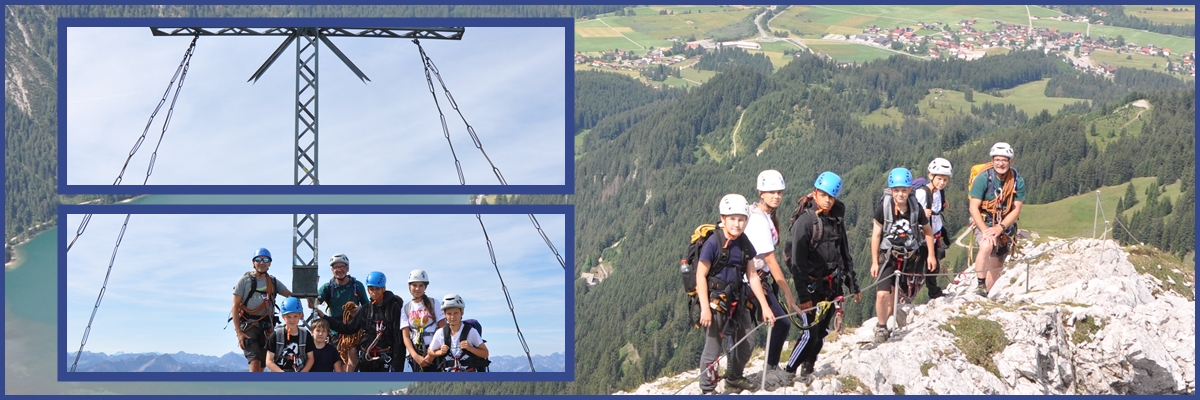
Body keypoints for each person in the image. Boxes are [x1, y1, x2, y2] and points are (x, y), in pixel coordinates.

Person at [784, 171, 861, 379]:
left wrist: (852, 283)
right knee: (810, 333)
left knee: (823, 332)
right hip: (811, 285)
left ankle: (809, 366)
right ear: (815, 193)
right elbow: (798, 262)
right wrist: (804, 297)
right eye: (824, 194)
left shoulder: (836, 219)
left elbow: (844, 251)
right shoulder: (805, 222)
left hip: (831, 283)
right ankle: (789, 371)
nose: (827, 200)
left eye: (831, 197)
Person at [697, 194, 775, 394]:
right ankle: (707, 388)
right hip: (716, 301)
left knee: (747, 342)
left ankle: (734, 378)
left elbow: (752, 275)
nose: (737, 224)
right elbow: (700, 275)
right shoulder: (713, 242)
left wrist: (765, 307)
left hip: (737, 298)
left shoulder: (744, 242)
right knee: (713, 347)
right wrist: (705, 308)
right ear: (723, 219)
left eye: (741, 219)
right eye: (732, 219)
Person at [870, 168, 937, 344]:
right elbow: (876, 235)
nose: (900, 194)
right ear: (891, 191)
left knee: (900, 295)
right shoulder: (883, 208)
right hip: (888, 256)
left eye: (904, 190)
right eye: (897, 190)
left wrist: (931, 255)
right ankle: (881, 327)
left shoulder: (916, 209)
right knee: (882, 294)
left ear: (909, 190)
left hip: (910, 255)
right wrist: (874, 262)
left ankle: (891, 320)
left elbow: (928, 231)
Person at [743, 170, 801, 371]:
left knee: (772, 323)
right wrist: (788, 294)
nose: (776, 196)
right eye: (771, 192)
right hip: (754, 279)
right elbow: (770, 259)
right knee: (781, 323)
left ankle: (767, 367)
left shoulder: (763, 215)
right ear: (761, 193)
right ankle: (770, 368)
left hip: (758, 278)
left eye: (779, 192)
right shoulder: (759, 219)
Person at [969, 142, 1025, 297]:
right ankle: (980, 285)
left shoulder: (1017, 181)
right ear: (992, 161)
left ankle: (983, 293)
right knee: (986, 246)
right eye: (997, 160)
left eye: (1005, 160)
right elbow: (973, 207)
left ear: (1010, 162)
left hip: (1004, 226)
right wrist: (986, 230)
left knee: (997, 264)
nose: (1001, 163)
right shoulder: (983, 179)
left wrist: (1000, 228)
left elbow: (1016, 209)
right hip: (984, 222)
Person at [321, 271, 406, 372]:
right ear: (368, 290)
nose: (374, 292)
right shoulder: (366, 309)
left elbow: (398, 340)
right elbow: (348, 328)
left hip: (385, 359)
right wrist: (325, 317)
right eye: (371, 289)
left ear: (384, 289)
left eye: (377, 288)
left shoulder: (393, 308)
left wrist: (397, 369)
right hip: (366, 359)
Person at [232, 247, 293, 372]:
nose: (262, 262)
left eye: (265, 260)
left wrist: (301, 304)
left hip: (266, 327)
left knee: (262, 365)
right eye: (258, 259)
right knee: (254, 362)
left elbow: (290, 295)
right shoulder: (244, 281)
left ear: (270, 263)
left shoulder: (273, 282)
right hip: (248, 326)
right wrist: (238, 333)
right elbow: (235, 306)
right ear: (253, 262)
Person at [913, 158, 953, 299]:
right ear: (931, 176)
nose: (942, 182)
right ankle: (908, 294)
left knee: (933, 266)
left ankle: (934, 293)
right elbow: (912, 213)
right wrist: (922, 213)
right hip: (922, 236)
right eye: (940, 179)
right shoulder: (922, 193)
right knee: (917, 268)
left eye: (945, 180)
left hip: (935, 234)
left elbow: (936, 210)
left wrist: (943, 205)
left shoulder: (939, 192)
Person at [425, 293, 490, 372]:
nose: (452, 317)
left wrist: (470, 348)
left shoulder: (471, 332)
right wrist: (440, 352)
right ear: (444, 314)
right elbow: (430, 351)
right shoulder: (440, 333)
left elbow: (485, 353)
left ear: (462, 312)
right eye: (449, 314)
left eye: (456, 313)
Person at [401, 269, 446, 372]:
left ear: (425, 287)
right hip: (417, 354)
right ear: (409, 286)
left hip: (435, 353)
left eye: (421, 285)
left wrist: (432, 354)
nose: (417, 288)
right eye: (414, 285)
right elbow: (406, 337)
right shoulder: (406, 308)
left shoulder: (434, 303)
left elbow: (443, 329)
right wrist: (415, 356)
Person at [309, 253, 369, 331]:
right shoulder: (327, 287)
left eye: (342, 267)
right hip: (335, 331)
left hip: (355, 330)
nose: (339, 270)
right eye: (336, 267)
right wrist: (310, 288)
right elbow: (312, 304)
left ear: (348, 268)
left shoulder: (357, 285)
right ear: (332, 270)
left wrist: (360, 310)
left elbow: (368, 308)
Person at [265, 297, 315, 372]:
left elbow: (311, 359)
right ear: (283, 317)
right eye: (288, 317)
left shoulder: (305, 335)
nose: (292, 320)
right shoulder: (276, 335)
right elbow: (268, 361)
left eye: (295, 316)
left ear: (300, 315)